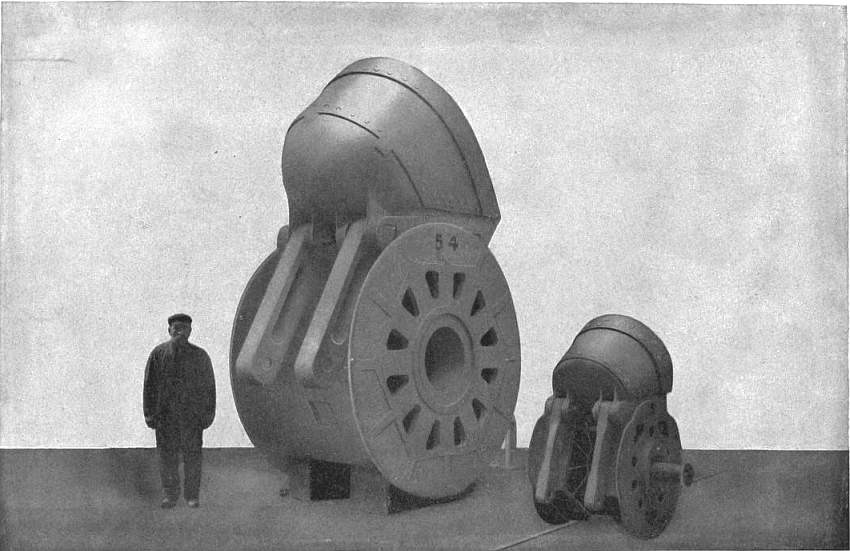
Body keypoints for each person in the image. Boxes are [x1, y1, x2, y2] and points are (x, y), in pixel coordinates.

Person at [143, 313, 216, 509]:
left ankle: (192, 496)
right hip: (165, 417)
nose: (180, 332)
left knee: (193, 457)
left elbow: (209, 387)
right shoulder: (158, 354)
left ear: (190, 331)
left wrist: (207, 415)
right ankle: (170, 495)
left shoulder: (200, 356)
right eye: (176, 328)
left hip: (191, 418)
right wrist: (150, 415)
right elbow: (149, 386)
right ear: (169, 330)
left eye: (184, 328)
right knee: (167, 458)